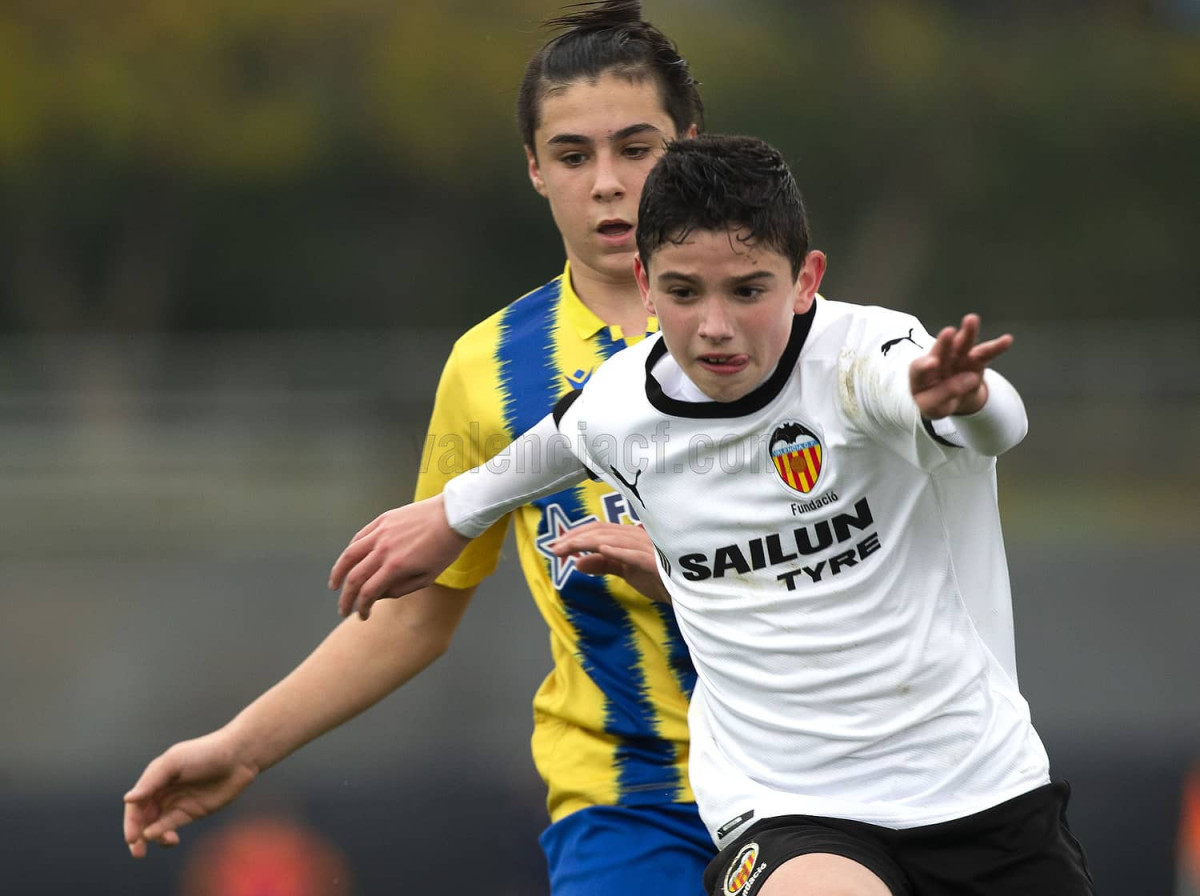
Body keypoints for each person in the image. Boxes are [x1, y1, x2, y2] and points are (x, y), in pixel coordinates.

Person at [329, 134, 1096, 894]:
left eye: (748, 291)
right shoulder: (622, 401)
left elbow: (998, 424)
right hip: (785, 806)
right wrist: (452, 514)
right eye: (685, 292)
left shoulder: (870, 358)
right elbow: (555, 442)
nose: (715, 325)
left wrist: (967, 400)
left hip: (978, 787)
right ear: (645, 282)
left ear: (805, 280)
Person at [123, 3, 717, 894]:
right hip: (629, 802)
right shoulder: (489, 369)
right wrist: (241, 748)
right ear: (534, 169)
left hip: (818, 775)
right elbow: (414, 615)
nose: (607, 183)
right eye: (572, 155)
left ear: (690, 147)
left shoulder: (785, 332)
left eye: (637, 149)